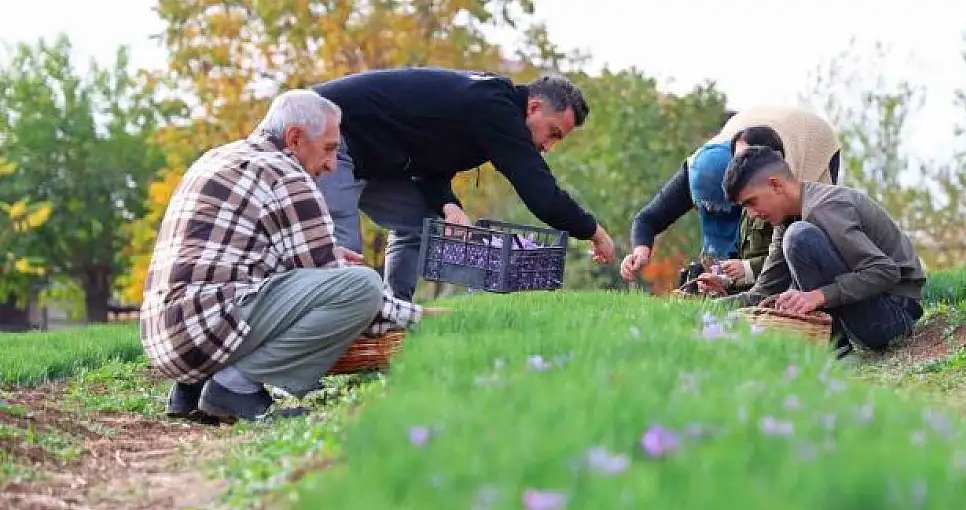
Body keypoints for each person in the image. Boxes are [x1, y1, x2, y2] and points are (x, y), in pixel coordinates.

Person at [140, 89, 432, 422]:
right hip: (202, 332)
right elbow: (358, 299)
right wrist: (429, 319)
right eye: (329, 149)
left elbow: (228, 260)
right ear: (294, 138)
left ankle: (192, 389)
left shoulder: (218, 158)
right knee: (362, 285)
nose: (331, 165)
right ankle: (235, 387)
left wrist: (324, 262)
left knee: (258, 278)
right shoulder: (288, 174)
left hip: (165, 340)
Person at [312, 67, 616, 301]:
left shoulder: (489, 106)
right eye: (553, 133)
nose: (549, 146)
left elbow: (429, 161)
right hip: (331, 134)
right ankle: (332, 345)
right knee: (343, 250)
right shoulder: (494, 107)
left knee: (422, 223)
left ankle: (393, 315)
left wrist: (449, 206)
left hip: (373, 160)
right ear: (534, 107)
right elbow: (540, 192)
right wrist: (593, 231)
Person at [718, 145, 927, 359]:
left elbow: (885, 271)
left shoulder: (824, 208)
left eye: (751, 202)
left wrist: (819, 296)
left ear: (776, 185)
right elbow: (764, 292)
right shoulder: (788, 219)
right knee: (795, 235)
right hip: (868, 315)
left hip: (894, 316)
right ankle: (836, 347)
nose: (751, 215)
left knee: (799, 237)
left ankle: (838, 352)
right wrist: (705, 307)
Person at [620, 105, 841, 292]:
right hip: (751, 132)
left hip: (810, 136)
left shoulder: (775, 181)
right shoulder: (697, 172)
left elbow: (781, 255)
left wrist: (746, 269)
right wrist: (640, 252)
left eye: (733, 207)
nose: (716, 214)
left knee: (800, 244)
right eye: (707, 209)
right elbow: (648, 219)